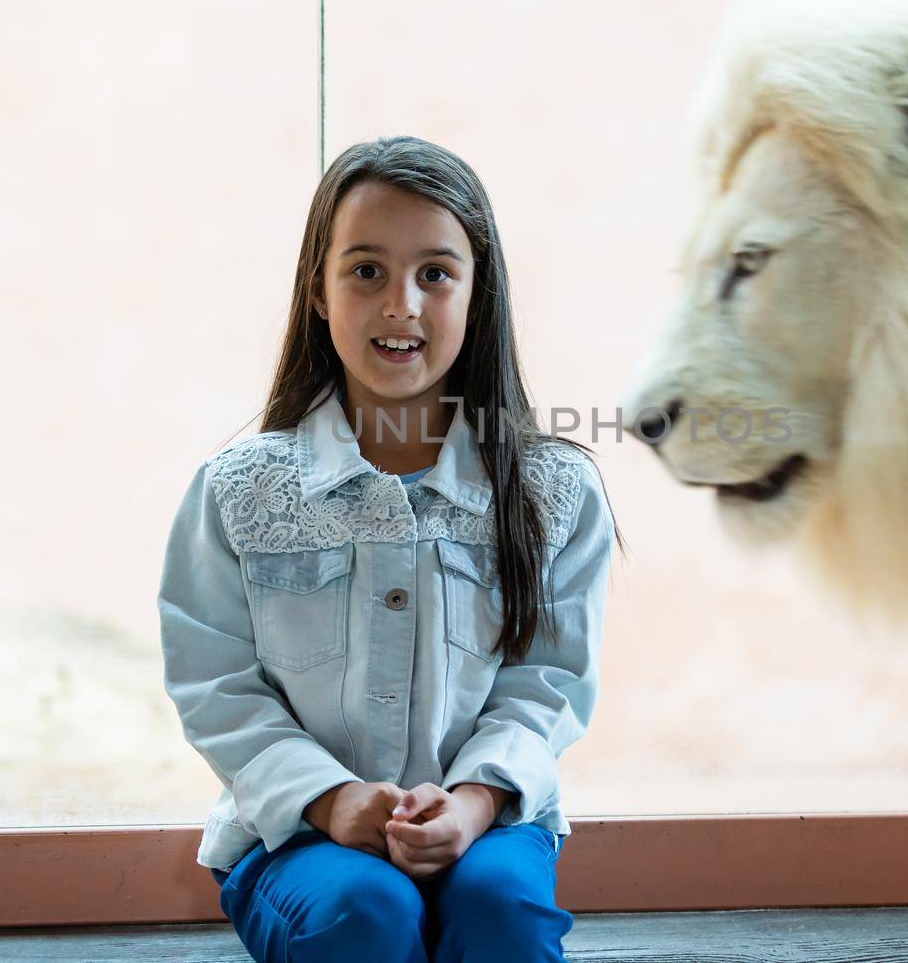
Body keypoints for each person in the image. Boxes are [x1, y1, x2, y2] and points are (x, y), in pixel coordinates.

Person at [156, 135, 623, 963]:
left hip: (492, 824)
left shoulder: (556, 493)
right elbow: (216, 685)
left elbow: (547, 684)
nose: (401, 303)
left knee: (500, 909)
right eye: (366, 270)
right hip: (297, 835)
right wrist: (331, 800)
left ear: (479, 293)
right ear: (319, 290)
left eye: (436, 273)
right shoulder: (238, 490)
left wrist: (475, 803)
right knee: (364, 910)